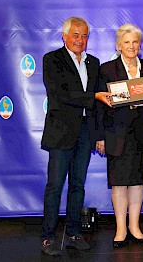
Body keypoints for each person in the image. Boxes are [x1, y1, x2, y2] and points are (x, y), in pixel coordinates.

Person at [40, 17, 112, 256]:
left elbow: (99, 101)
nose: (80, 40)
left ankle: (73, 233)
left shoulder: (94, 62)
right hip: (60, 132)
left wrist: (99, 132)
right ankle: (48, 236)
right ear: (64, 36)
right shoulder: (52, 60)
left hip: (85, 131)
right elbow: (61, 95)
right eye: (76, 35)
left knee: (77, 186)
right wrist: (94, 97)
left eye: (84, 36)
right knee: (55, 186)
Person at [97, 24, 143, 249]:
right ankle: (120, 229)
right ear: (118, 45)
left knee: (137, 182)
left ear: (140, 45)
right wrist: (100, 136)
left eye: (135, 42)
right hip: (116, 132)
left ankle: (135, 227)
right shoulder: (107, 69)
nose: (131, 46)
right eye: (126, 42)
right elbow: (100, 106)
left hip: (142, 130)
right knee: (119, 183)